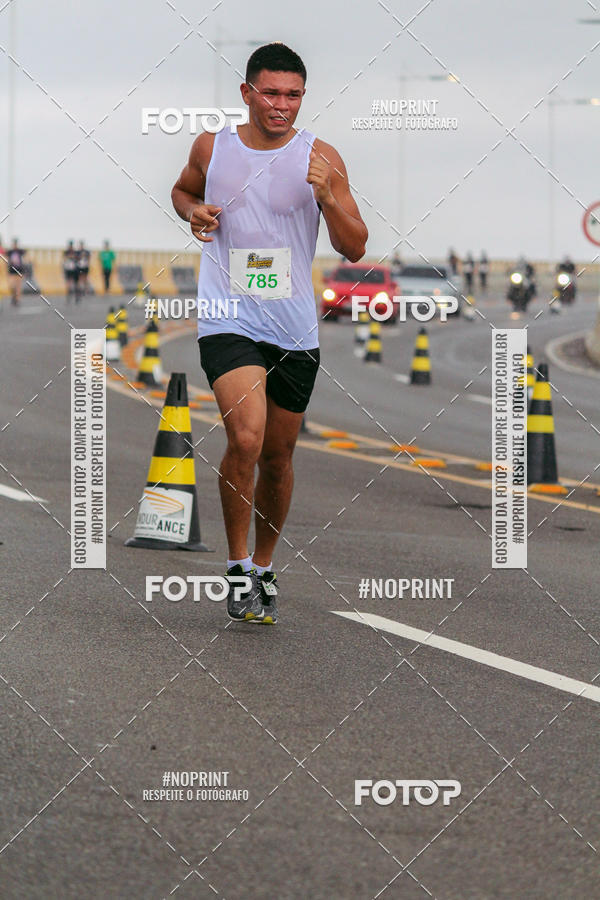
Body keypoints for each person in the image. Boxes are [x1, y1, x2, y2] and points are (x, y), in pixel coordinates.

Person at [171, 42, 367, 624]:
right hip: (228, 317)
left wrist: (328, 196)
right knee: (248, 439)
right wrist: (191, 211)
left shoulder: (321, 156)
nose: (282, 105)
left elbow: (354, 245)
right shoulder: (214, 146)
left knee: (278, 458)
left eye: (293, 95)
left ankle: (262, 564)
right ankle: (235, 567)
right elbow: (183, 190)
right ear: (247, 93)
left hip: (293, 326)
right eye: (271, 93)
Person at [7, 239, 26, 306]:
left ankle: (17, 300)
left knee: (18, 286)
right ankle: (14, 296)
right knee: (12, 286)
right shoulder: (10, 251)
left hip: (19, 271)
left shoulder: (20, 251)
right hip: (11, 271)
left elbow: (25, 258)